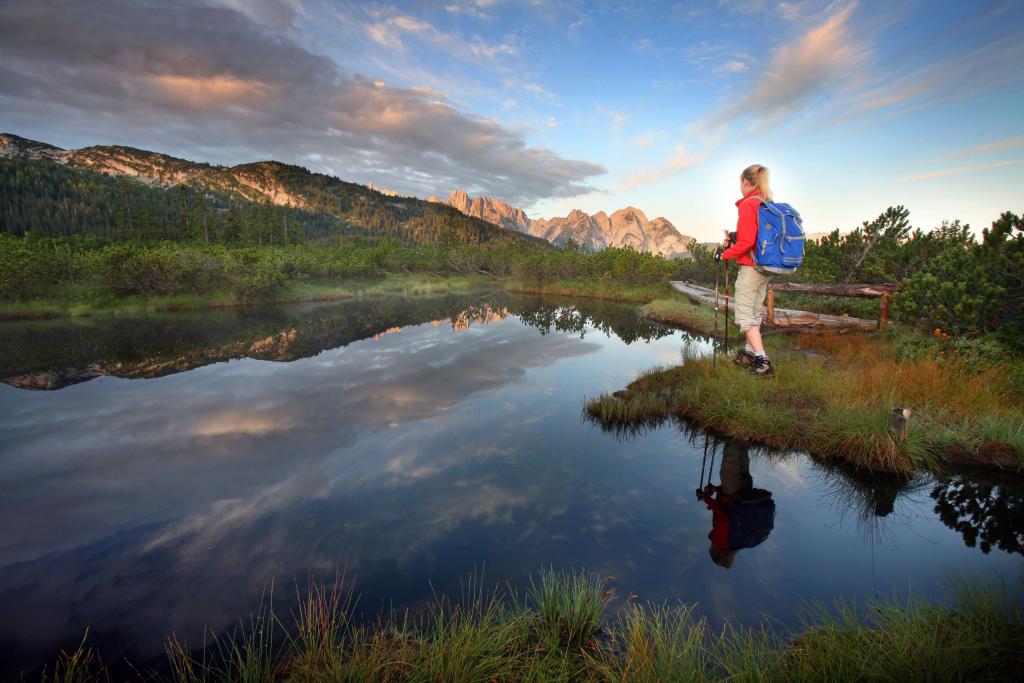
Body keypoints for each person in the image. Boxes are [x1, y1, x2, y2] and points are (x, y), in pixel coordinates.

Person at [715, 164, 774, 377]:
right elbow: (755, 237)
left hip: (751, 268)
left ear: (746, 182)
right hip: (765, 267)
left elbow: (748, 242)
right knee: (754, 312)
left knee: (743, 315)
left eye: (740, 182)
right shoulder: (765, 202)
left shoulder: (748, 204)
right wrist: (735, 238)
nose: (740, 186)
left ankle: (762, 360)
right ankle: (749, 353)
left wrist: (725, 254)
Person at [698, 439, 774, 569]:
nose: (711, 545)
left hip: (745, 494)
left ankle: (745, 435)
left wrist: (715, 490)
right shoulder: (720, 540)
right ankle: (738, 432)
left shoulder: (737, 542)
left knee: (741, 457)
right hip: (733, 492)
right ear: (717, 551)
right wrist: (705, 498)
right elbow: (723, 516)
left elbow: (728, 510)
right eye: (711, 549)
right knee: (731, 457)